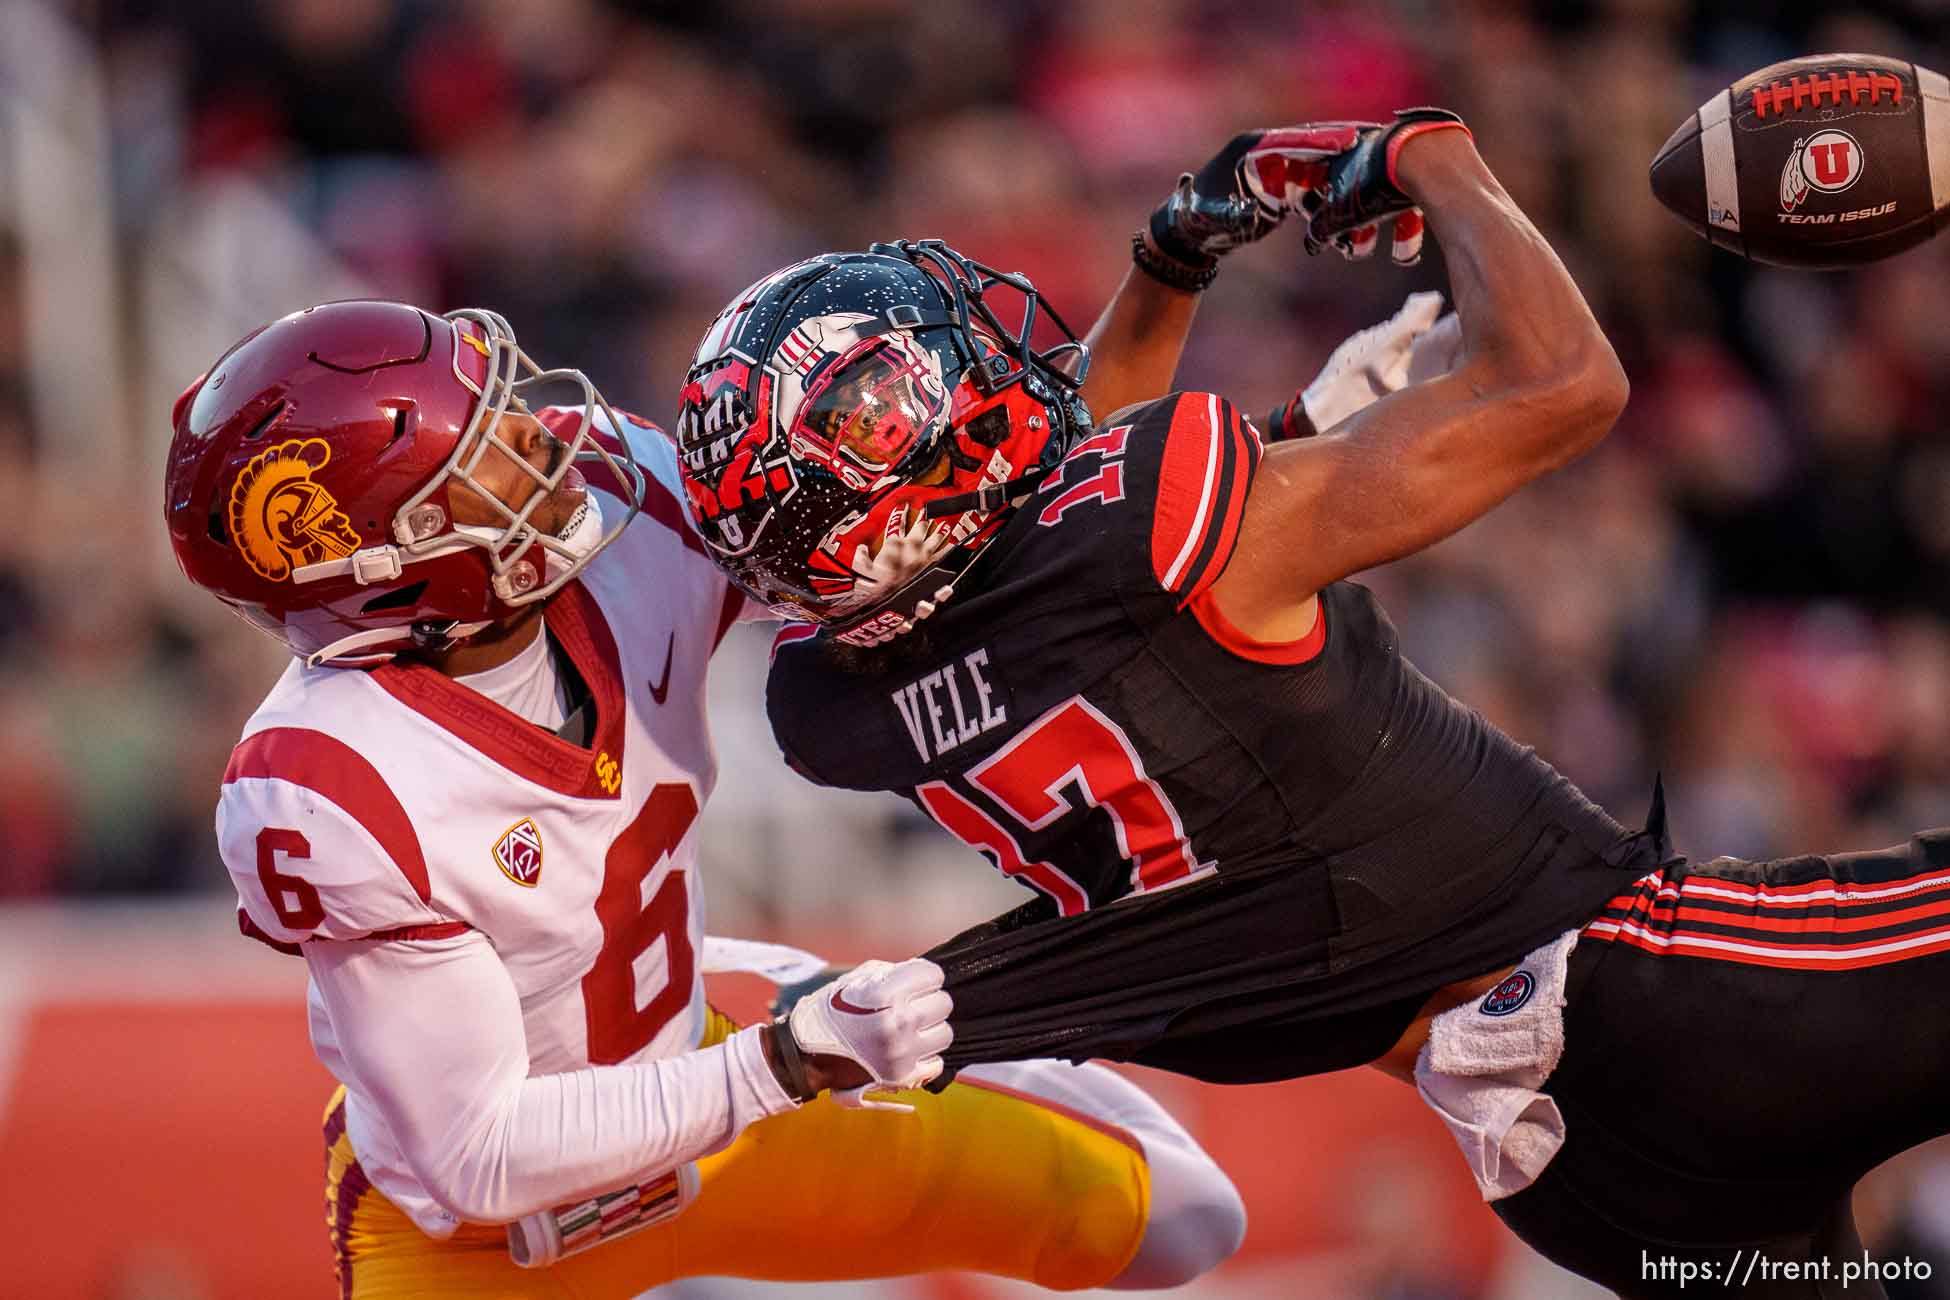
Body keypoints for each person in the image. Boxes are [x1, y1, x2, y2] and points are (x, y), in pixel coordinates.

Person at [678, 110, 1950, 1300]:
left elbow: (1059, 540)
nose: (980, 357)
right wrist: (1432, 156)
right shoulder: (1159, 528)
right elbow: (1570, 384)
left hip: (1559, 1163)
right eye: (920, 380)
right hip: (1654, 1003)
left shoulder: (836, 703)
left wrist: (1175, 255)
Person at [166, 293, 1255, 1298]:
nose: (542, 444)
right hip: (484, 1244)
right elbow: (481, 1155)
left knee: (1185, 1215)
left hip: (709, 1088)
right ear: (392, 573)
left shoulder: (623, 506)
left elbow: (882, 511)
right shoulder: (329, 787)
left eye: (504, 411)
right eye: (484, 462)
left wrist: (1257, 434)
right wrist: (790, 1055)